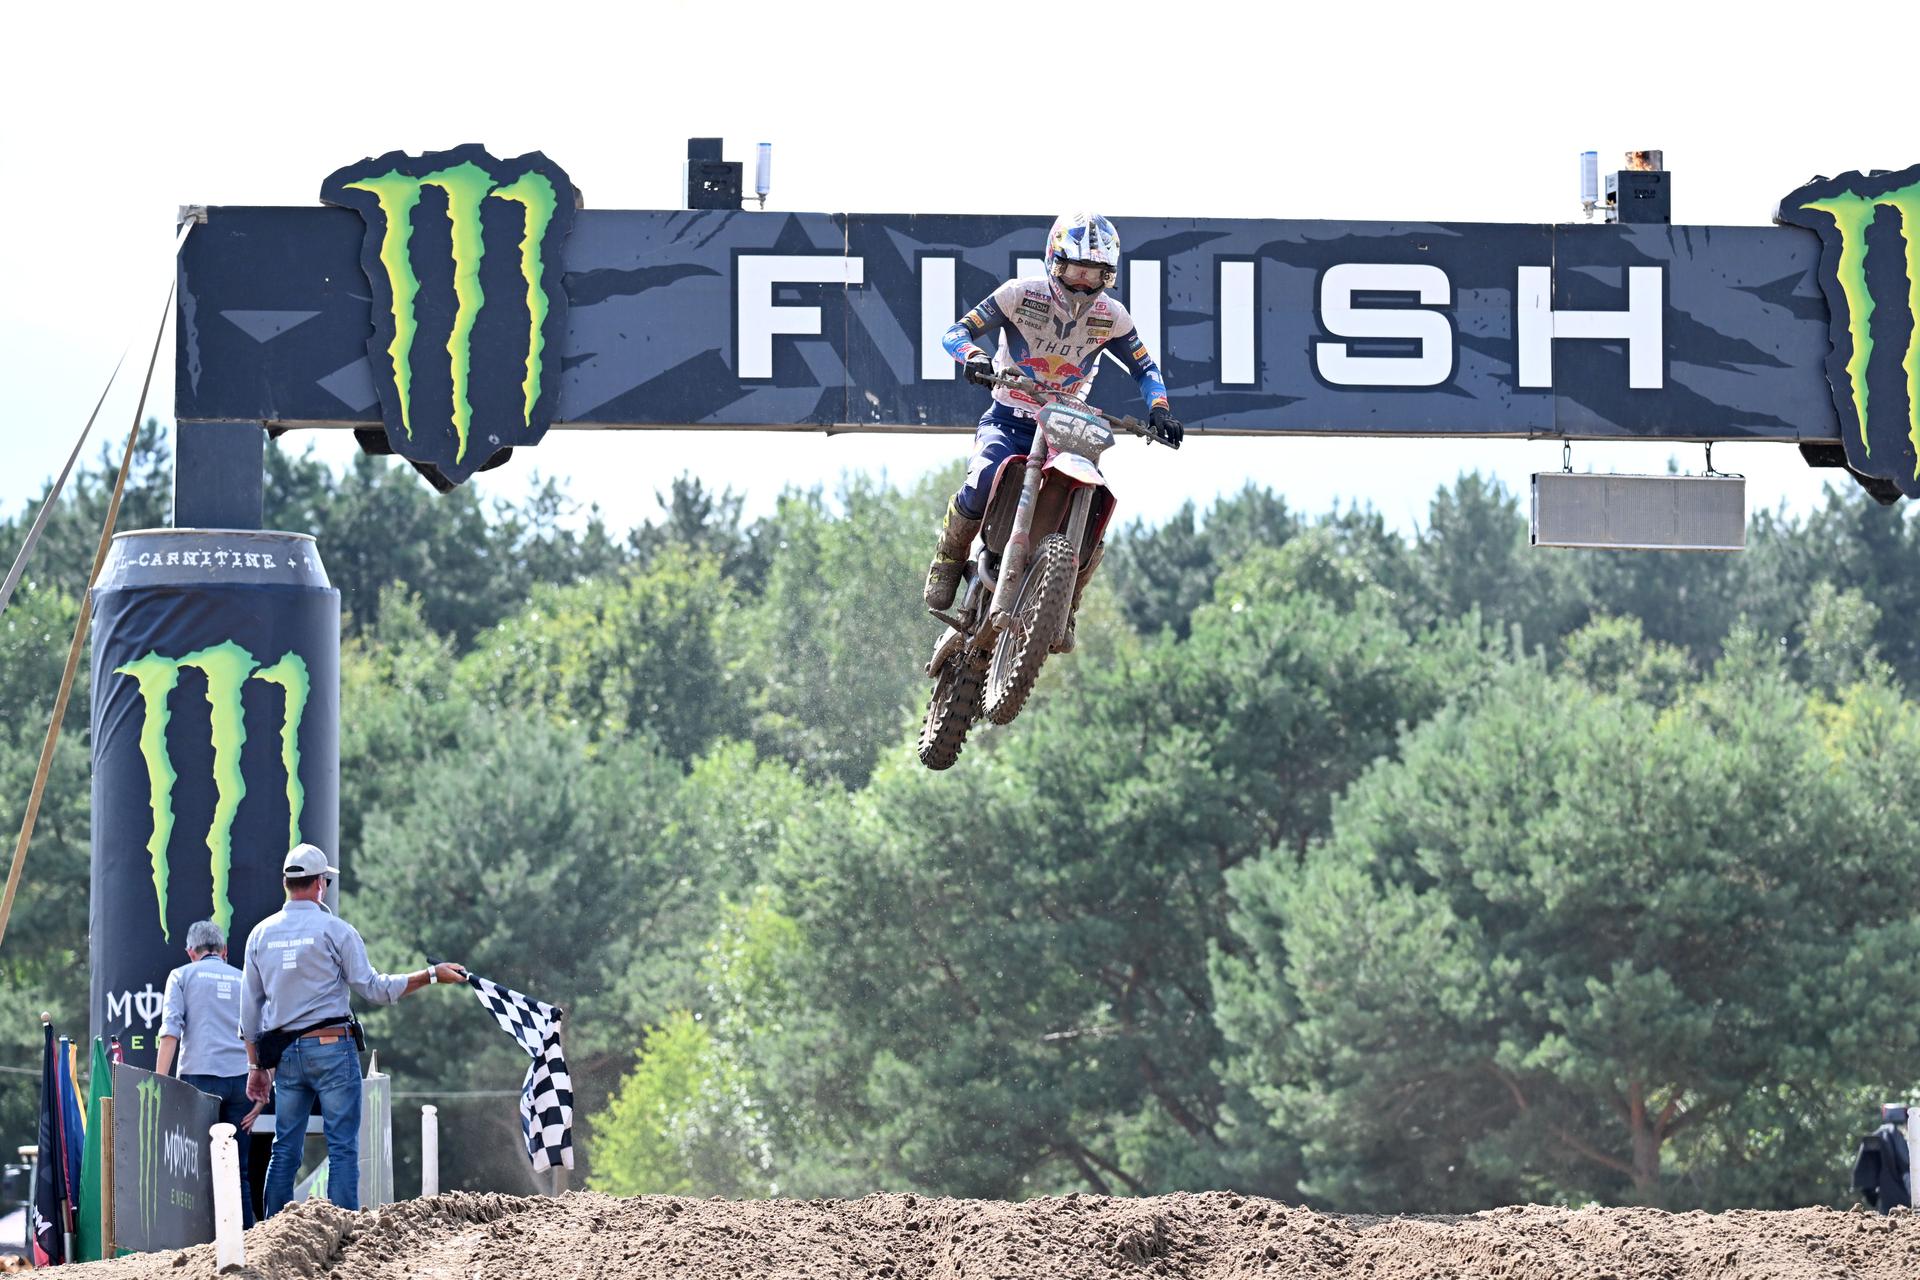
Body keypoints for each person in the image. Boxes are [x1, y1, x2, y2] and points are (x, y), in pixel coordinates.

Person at [925, 211, 1183, 652]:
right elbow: (956, 331)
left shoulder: (1112, 316)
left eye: (1094, 273)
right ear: (1055, 262)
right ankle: (949, 555)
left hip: (1068, 425)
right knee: (982, 477)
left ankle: (1068, 601)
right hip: (1009, 416)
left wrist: (1159, 408)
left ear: (1108, 275)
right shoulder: (1018, 294)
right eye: (1076, 270)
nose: (1083, 283)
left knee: (1098, 498)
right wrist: (972, 356)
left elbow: (1145, 367)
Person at [240, 843, 467, 1216]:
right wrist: (430, 975)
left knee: (284, 1148)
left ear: (286, 883)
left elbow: (250, 1012)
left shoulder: (260, 935)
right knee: (343, 1146)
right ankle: (344, 1230)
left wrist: (255, 1067)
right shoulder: (336, 930)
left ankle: (273, 1232)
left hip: (286, 1056)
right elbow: (375, 989)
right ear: (320, 884)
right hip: (332, 1048)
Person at [156, 920, 260, 1226]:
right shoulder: (243, 979)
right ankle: (244, 1239)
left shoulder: (181, 976)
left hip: (198, 1082)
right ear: (224, 950)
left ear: (191, 952)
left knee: (196, 1168)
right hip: (242, 1082)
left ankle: (201, 1240)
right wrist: (263, 1086)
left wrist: (159, 1082)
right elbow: (260, 1033)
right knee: (238, 1170)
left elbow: (170, 1033)